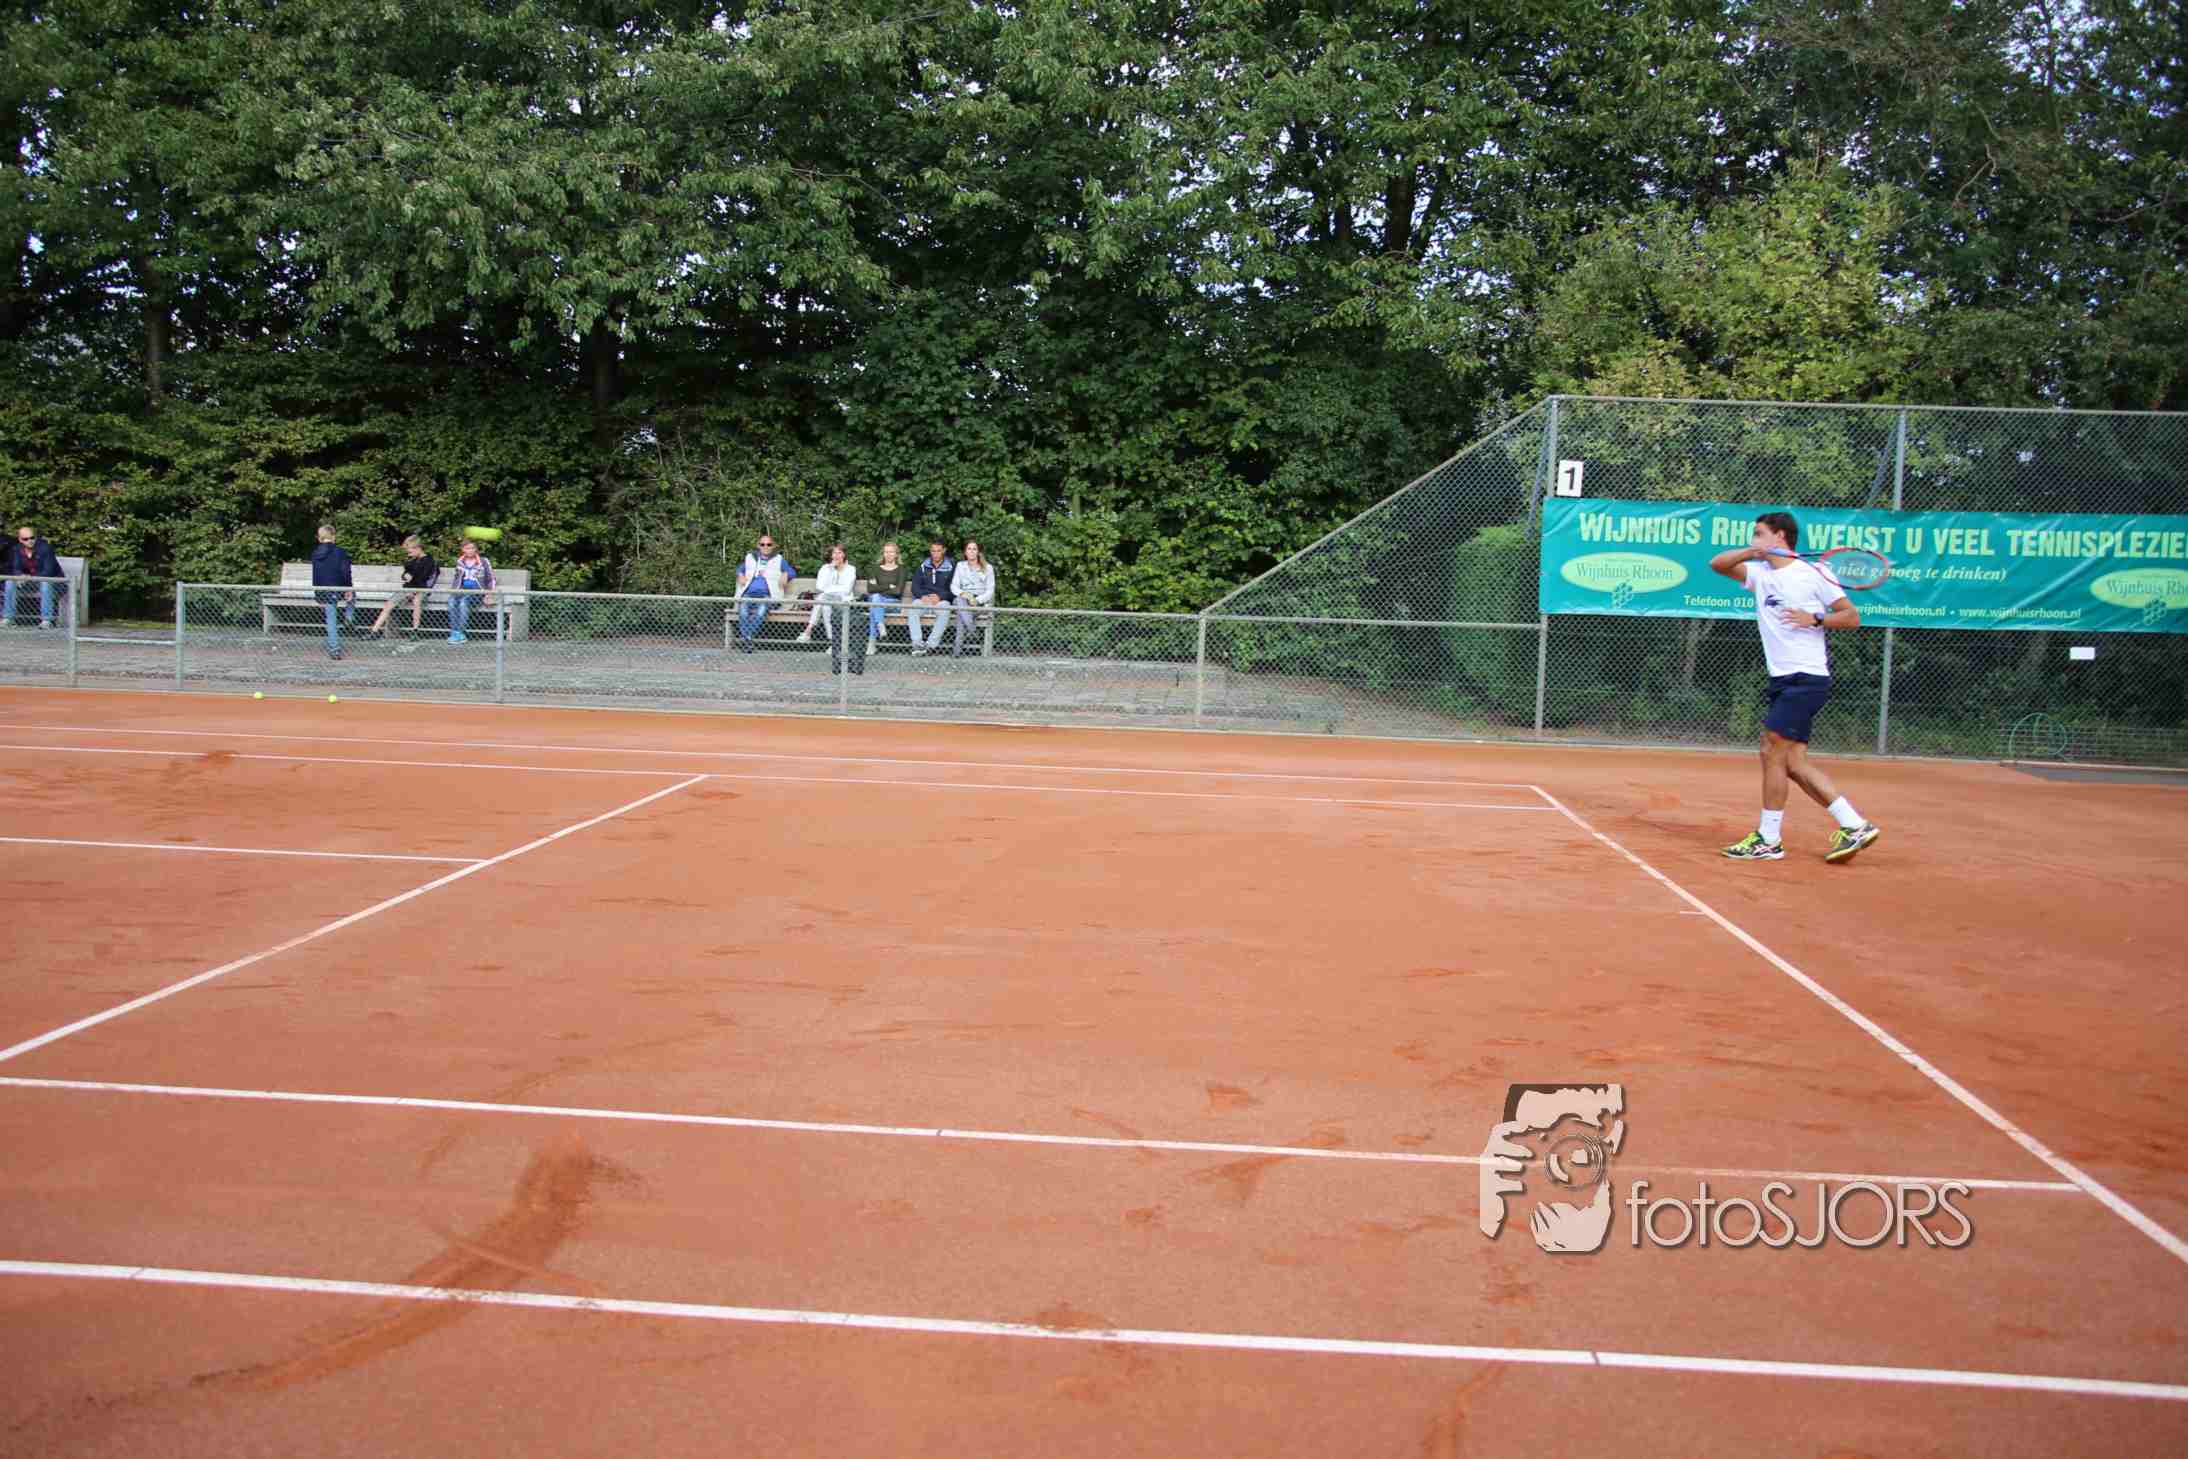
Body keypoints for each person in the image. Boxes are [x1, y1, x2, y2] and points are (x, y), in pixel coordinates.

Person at [1709, 511, 1883, 863]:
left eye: (1759, 533)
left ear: (1780, 536)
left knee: (1770, 748)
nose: (1753, 539)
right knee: (1791, 762)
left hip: (1806, 676)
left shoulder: (1813, 573)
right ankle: (1854, 825)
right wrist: (1752, 552)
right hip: (1783, 678)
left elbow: (1851, 617)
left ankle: (1768, 839)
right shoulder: (1760, 574)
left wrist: (1815, 618)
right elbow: (1717, 564)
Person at [367, 535, 438, 639]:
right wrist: (405, 576)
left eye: (410, 550)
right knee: (388, 604)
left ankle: (415, 631)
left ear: (418, 548)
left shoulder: (429, 561)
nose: (408, 553)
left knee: (417, 601)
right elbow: (405, 574)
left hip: (421, 589)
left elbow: (426, 579)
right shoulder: (412, 561)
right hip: (408, 588)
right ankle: (374, 631)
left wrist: (413, 586)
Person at [735, 532, 793, 652]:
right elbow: (740, 568)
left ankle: (746, 640)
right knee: (743, 612)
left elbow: (792, 571)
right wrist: (740, 574)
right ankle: (748, 640)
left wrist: (786, 574)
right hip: (748, 594)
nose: (765, 546)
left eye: (768, 544)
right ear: (758, 546)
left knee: (760, 612)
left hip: (767, 596)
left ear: (773, 546)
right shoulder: (751, 558)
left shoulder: (778, 559)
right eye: (762, 544)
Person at [1, 525, 65, 630]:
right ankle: (8, 618)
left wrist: (29, 577)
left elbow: (48, 572)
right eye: (25, 539)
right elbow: (15, 568)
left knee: (45, 584)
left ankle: (46, 621)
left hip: (55, 583)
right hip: (30, 582)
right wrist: (20, 576)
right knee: (10, 582)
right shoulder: (16, 549)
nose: (30, 541)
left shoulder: (46, 548)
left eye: (32, 538)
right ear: (20, 540)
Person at [310, 524, 355, 659]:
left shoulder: (315, 553)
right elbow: (346, 572)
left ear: (320, 538)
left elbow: (316, 574)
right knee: (353, 595)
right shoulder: (340, 552)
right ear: (333, 536)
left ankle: (335, 650)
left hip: (323, 589)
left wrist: (318, 594)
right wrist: (348, 588)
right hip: (338, 587)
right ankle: (349, 618)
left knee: (330, 619)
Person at [948, 539, 998, 658]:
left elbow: (990, 590)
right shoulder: (960, 565)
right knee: (960, 602)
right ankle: (973, 631)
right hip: (963, 598)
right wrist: (964, 594)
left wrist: (977, 600)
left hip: (979, 602)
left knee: (961, 614)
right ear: (965, 552)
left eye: (974, 549)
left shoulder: (987, 568)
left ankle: (957, 650)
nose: (971, 551)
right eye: (969, 549)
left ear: (978, 552)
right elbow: (953, 586)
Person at [800, 543, 858, 644]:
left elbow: (846, 590)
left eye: (839, 553)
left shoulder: (851, 569)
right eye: (834, 553)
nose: (836, 555)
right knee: (825, 606)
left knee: (823, 598)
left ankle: (808, 630)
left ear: (844, 555)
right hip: (827, 601)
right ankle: (832, 641)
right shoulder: (826, 568)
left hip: (843, 602)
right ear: (831, 555)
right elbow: (819, 586)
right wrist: (831, 570)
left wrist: (829, 590)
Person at [906, 539, 955, 656]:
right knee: (913, 608)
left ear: (944, 551)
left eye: (938, 551)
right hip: (925, 600)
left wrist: (940, 596)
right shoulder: (923, 566)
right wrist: (923, 596)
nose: (936, 554)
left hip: (941, 601)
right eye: (933, 551)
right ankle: (918, 644)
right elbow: (915, 587)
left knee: (945, 610)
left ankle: (930, 645)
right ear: (930, 551)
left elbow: (954, 589)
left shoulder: (951, 567)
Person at [446, 538, 496, 644]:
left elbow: (491, 579)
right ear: (463, 549)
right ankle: (455, 632)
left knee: (464, 603)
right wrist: (454, 590)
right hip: (461, 590)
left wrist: (489, 594)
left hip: (477, 591)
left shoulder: (483, 561)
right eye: (467, 548)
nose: (470, 550)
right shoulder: (460, 562)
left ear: (476, 549)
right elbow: (457, 579)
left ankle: (460, 632)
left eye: (472, 548)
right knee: (451, 602)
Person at [864, 540, 910, 652]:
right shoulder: (875, 569)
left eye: (891, 552)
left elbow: (898, 591)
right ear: (883, 554)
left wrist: (879, 587)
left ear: (896, 554)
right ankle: (880, 624)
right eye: (886, 552)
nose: (888, 554)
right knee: (875, 600)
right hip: (877, 603)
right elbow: (870, 589)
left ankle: (872, 643)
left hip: (893, 604)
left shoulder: (901, 569)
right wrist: (889, 586)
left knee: (875, 602)